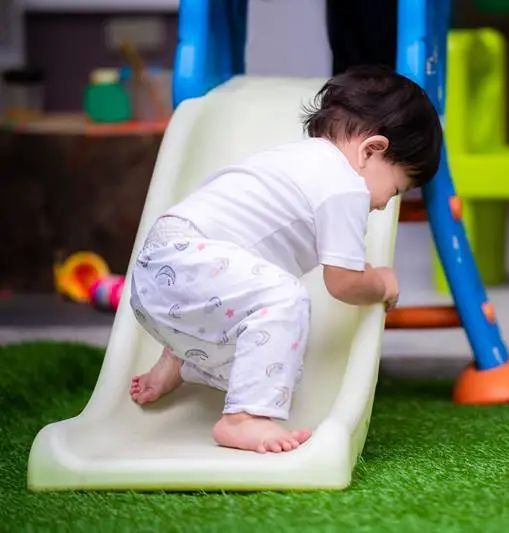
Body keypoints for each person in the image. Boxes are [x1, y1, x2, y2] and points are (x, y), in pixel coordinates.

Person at [127, 66, 442, 454]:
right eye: (395, 189)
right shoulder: (344, 187)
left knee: (273, 352)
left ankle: (180, 359)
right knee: (285, 299)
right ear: (371, 150)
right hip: (188, 257)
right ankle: (242, 418)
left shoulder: (295, 159)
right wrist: (382, 282)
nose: (383, 204)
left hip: (160, 278)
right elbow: (342, 283)